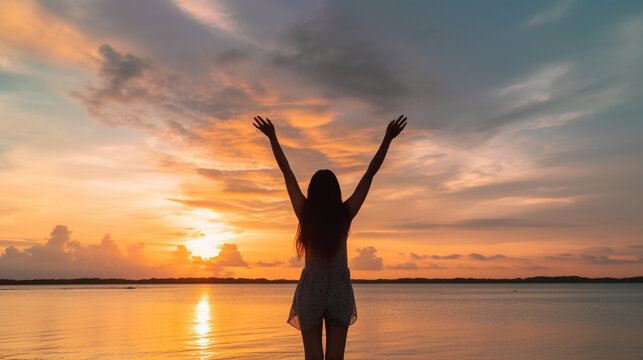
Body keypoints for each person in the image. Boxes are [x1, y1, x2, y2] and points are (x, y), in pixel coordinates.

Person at [253, 115, 407, 360]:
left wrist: (272, 137)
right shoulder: (345, 214)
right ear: (336, 192)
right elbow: (369, 175)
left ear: (312, 192)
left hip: (312, 287)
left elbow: (287, 171)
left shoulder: (304, 213)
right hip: (339, 289)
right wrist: (387, 139)